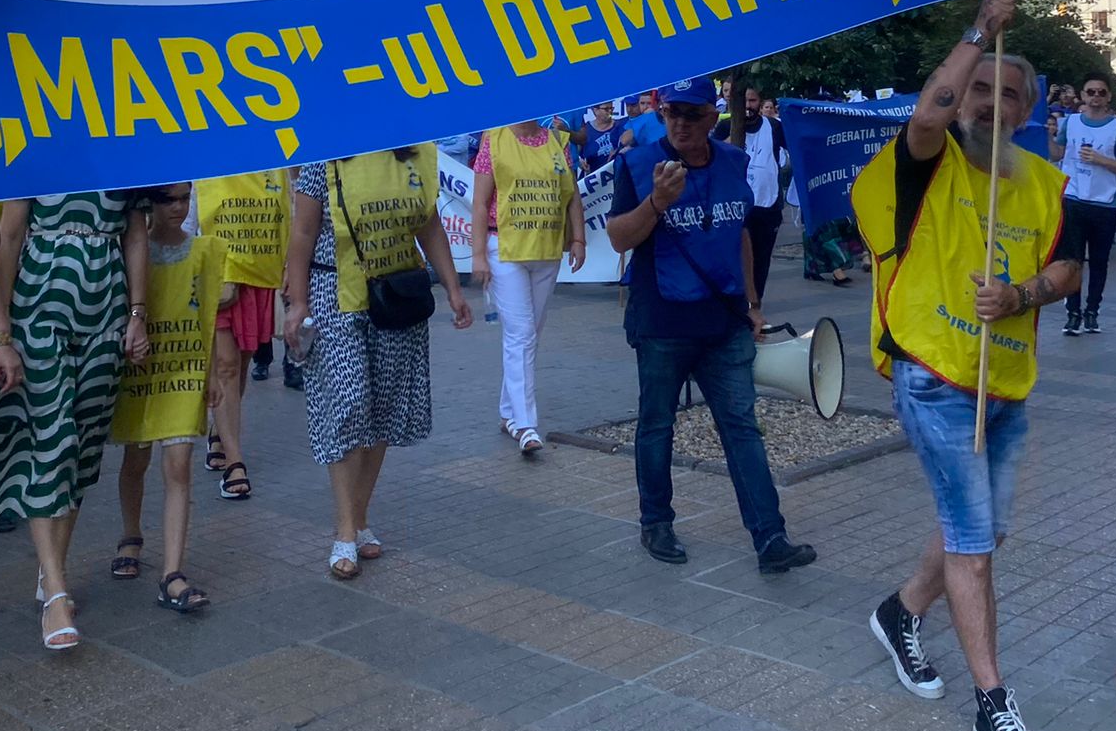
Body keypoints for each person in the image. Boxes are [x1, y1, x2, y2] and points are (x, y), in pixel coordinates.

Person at [851, 0, 1079, 731]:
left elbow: (1069, 268)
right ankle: (993, 702)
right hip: (933, 371)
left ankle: (901, 611)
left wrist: (1019, 296)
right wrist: (982, 31)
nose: (988, 101)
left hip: (1003, 381)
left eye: (1006, 94)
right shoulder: (928, 156)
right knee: (975, 544)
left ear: (1027, 110)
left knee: (983, 526)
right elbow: (927, 111)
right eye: (979, 89)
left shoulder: (1042, 182)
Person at [609, 79, 817, 577]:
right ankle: (656, 522)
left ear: (712, 116)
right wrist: (657, 201)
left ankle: (771, 538)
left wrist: (752, 302)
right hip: (662, 321)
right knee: (657, 425)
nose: (680, 123)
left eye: (692, 113)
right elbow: (619, 238)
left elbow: (739, 233)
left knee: (742, 427)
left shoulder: (732, 162)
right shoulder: (637, 166)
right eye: (671, 113)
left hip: (724, 322)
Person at [0, 188, 151, 651]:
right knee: (53, 441)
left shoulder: (123, 139)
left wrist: (137, 313)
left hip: (106, 307)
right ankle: (57, 593)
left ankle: (52, 574)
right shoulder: (41, 130)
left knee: (83, 446)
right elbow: (9, 233)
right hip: (38, 305)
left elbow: (136, 235)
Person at [282, 146, 471, 581]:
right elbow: (303, 234)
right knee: (349, 405)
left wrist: (454, 290)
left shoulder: (416, 155)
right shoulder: (324, 158)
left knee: (383, 410)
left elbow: (430, 226)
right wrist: (297, 303)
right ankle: (344, 529)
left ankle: (359, 514)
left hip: (395, 296)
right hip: (335, 294)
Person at [110, 182, 227, 612]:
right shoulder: (129, 252)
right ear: (149, 202)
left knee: (178, 465)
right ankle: (131, 533)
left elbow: (207, 318)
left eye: (184, 198)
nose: (178, 207)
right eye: (168, 199)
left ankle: (172, 572)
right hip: (142, 371)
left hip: (184, 370)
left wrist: (212, 372)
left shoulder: (202, 252)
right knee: (135, 459)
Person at [470, 120, 586, 454]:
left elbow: (571, 195)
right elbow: (480, 202)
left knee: (529, 334)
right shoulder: (494, 138)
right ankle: (526, 424)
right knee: (520, 334)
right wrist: (478, 255)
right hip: (504, 247)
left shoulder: (556, 141)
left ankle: (509, 413)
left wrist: (577, 237)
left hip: (546, 249)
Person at [194, 169, 291, 501]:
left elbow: (288, 202)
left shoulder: (273, 151)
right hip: (218, 270)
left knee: (241, 364)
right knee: (226, 366)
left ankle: (220, 432)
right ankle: (235, 463)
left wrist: (290, 264)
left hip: (260, 269)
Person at [1055, 72, 1116, 335]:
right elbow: (1057, 152)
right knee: (1073, 260)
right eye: (1090, 92)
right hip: (1074, 198)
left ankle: (1092, 311)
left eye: (1101, 92)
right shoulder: (1070, 123)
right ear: (1082, 96)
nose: (1095, 97)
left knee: (1100, 261)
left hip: (1104, 203)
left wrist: (1102, 160)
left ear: (1109, 97)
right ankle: (1072, 313)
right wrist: (1045, 134)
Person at [714, 87, 791, 308]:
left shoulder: (774, 127)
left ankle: (755, 303)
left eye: (753, 100)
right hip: (733, 206)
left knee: (760, 259)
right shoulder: (724, 127)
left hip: (766, 206)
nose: (748, 106)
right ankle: (733, 301)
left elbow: (796, 145)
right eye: (744, 101)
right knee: (733, 256)